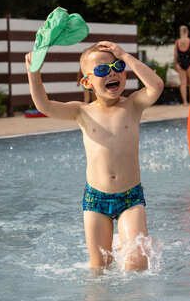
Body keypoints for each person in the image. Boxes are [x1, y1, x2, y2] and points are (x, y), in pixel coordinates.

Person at [25, 41, 164, 273]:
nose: (111, 72)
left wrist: (126, 56)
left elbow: (156, 85)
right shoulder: (82, 111)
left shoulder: (133, 105)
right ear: (87, 82)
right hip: (95, 200)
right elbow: (45, 106)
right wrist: (33, 73)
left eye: (117, 66)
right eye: (101, 70)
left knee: (137, 264)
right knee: (99, 267)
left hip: (130, 198)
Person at [174, 25, 190, 105]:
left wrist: (175, 65)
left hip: (180, 63)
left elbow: (175, 55)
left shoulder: (177, 42)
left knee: (183, 84)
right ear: (187, 32)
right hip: (189, 63)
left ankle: (185, 102)